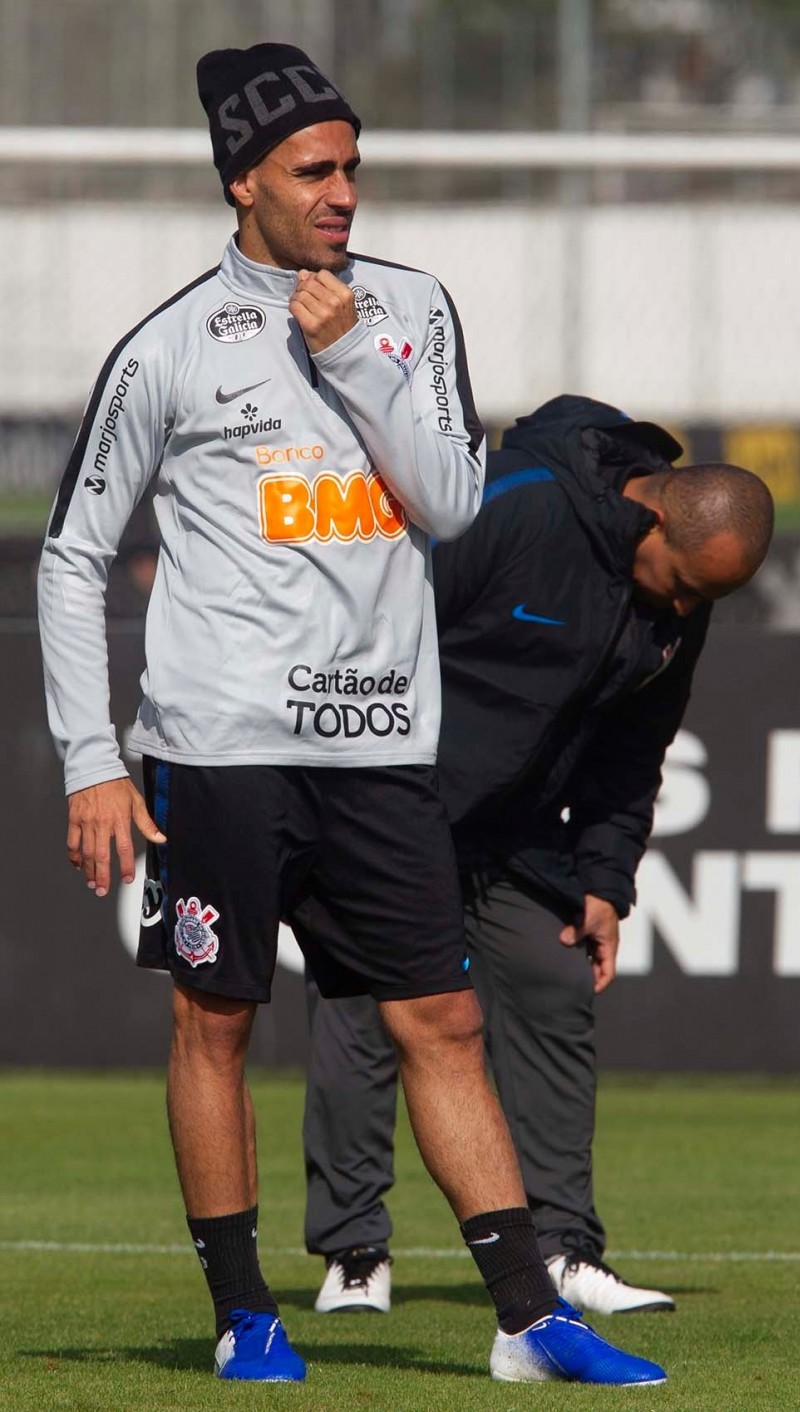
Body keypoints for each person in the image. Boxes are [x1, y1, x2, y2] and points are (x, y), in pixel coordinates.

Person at [36, 45, 668, 1388]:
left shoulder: (411, 308)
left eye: (353, 167)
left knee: (438, 1020)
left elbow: (445, 499)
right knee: (216, 1021)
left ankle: (525, 1320)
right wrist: (93, 758)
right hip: (220, 750)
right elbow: (71, 554)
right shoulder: (163, 349)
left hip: (382, 746)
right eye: (315, 171)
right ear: (241, 180)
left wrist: (357, 358)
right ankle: (242, 1313)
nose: (344, 194)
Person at [302, 396, 774, 1317]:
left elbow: (633, 748)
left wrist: (604, 879)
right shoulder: (511, 506)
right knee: (365, 1016)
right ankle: (355, 1252)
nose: (682, 609)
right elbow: (371, 630)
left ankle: (563, 1251)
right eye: (680, 584)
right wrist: (339, 798)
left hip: (516, 831)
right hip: (394, 807)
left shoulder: (678, 596)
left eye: (701, 601)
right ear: (650, 515)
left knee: (551, 984)